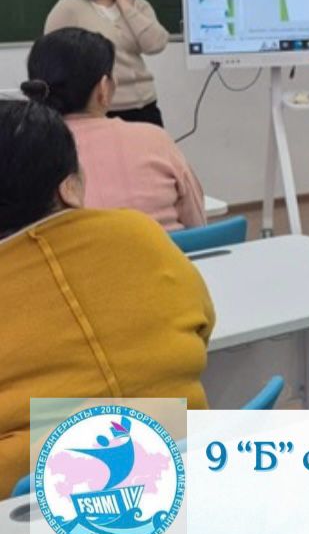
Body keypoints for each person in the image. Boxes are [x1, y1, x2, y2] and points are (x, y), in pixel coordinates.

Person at [0, 98, 215, 498]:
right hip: (187, 479)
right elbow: (204, 325)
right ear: (68, 186)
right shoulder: (140, 234)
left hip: (28, 514)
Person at [25, 27, 206, 231]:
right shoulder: (155, 138)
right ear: (103, 88)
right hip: (167, 250)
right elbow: (197, 224)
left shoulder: (23, 151)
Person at [44, 0, 169, 126]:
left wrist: (126, 7)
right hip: (98, 112)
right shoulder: (69, 8)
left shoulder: (138, 5)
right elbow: (49, 59)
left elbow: (156, 44)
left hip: (145, 107)